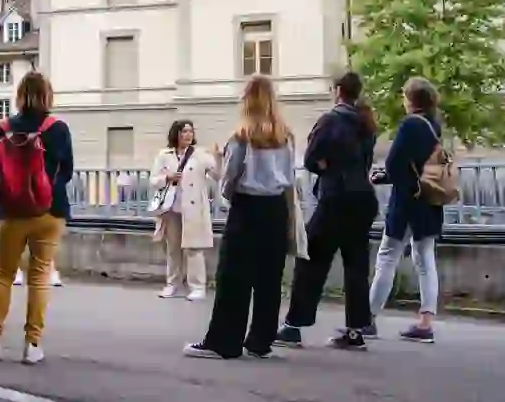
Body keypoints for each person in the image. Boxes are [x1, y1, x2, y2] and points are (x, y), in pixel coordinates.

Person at [183, 74, 304, 360]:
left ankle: (224, 341)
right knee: (269, 279)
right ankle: (260, 341)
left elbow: (230, 180)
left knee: (234, 277)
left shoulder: (242, 136)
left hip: (247, 208)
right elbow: (289, 178)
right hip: (276, 208)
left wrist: (224, 178)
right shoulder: (285, 136)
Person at [0, 71, 73, 365]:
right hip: (50, 212)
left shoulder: (4, 128)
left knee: (3, 275)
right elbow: (66, 171)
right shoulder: (58, 128)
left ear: (19, 95)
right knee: (39, 277)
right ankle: (33, 345)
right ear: (48, 95)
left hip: (12, 211)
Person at [276, 71, 379, 351]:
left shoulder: (331, 120)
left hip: (336, 197)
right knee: (356, 265)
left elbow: (310, 159)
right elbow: (365, 162)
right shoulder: (366, 122)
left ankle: (294, 326)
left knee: (312, 259)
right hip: (363, 198)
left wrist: (327, 166)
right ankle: (356, 330)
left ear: (336, 91)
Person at [365, 76, 444, 343]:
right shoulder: (434, 125)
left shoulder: (410, 124)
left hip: (408, 202)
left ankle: (368, 318)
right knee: (425, 259)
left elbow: (394, 164)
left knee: (387, 256)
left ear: (410, 100)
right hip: (429, 200)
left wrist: (381, 177)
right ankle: (425, 322)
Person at [151, 120, 221, 301]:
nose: (188, 135)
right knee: (173, 248)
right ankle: (172, 284)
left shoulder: (200, 154)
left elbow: (217, 175)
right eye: (184, 132)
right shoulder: (164, 155)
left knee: (194, 248)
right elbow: (153, 180)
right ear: (176, 134)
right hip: (171, 207)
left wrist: (218, 157)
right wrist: (168, 177)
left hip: (194, 208)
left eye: (190, 131)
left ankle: (197, 286)